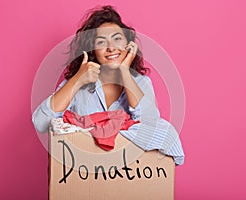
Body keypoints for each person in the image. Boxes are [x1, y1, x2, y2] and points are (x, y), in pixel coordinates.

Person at [32, 5, 184, 165]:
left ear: (128, 44)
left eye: (117, 39)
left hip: (130, 174)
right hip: (86, 173)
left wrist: (125, 71)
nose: (111, 47)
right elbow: (41, 123)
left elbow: (150, 127)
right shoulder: (77, 84)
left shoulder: (140, 82)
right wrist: (77, 80)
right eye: (101, 42)